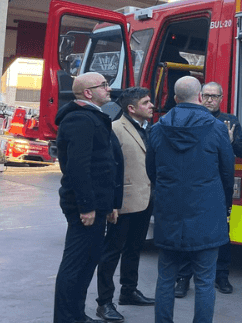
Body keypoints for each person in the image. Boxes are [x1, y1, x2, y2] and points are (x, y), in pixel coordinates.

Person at [147, 76, 234, 323]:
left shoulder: (157, 128)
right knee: (206, 280)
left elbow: (151, 171)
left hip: (169, 212)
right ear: (199, 97)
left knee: (165, 277)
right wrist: (224, 204)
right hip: (207, 212)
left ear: (175, 99)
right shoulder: (217, 128)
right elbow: (227, 172)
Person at [53, 73, 124, 323]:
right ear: (87, 93)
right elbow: (78, 168)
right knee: (76, 263)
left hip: (97, 204)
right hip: (84, 206)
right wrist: (87, 206)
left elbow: (106, 163)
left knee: (88, 261)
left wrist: (110, 204)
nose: (108, 88)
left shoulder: (94, 117)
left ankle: (76, 315)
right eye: (103, 85)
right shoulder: (80, 120)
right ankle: (66, 318)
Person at [175, 81, 242, 298]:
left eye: (214, 96)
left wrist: (232, 141)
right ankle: (183, 279)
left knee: (221, 235)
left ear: (221, 98)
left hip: (218, 186)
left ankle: (222, 276)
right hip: (192, 185)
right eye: (206, 95)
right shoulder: (191, 119)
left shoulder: (230, 121)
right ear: (199, 97)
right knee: (188, 234)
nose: (209, 100)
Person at [95, 88, 156, 322]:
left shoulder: (148, 129)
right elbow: (107, 169)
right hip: (122, 203)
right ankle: (104, 303)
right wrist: (111, 203)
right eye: (146, 102)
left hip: (145, 199)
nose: (151, 105)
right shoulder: (115, 129)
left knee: (134, 249)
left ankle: (128, 291)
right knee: (112, 252)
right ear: (131, 108)